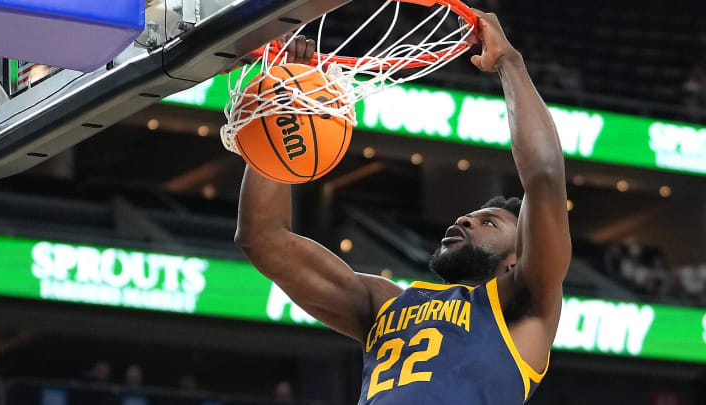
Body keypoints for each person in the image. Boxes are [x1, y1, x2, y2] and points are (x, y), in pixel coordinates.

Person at [235, 9, 571, 405]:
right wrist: (286, 104)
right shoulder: (385, 304)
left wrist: (509, 62)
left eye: (489, 223)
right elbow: (263, 239)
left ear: (518, 258)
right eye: (472, 215)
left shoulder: (524, 305)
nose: (464, 218)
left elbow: (544, 177)